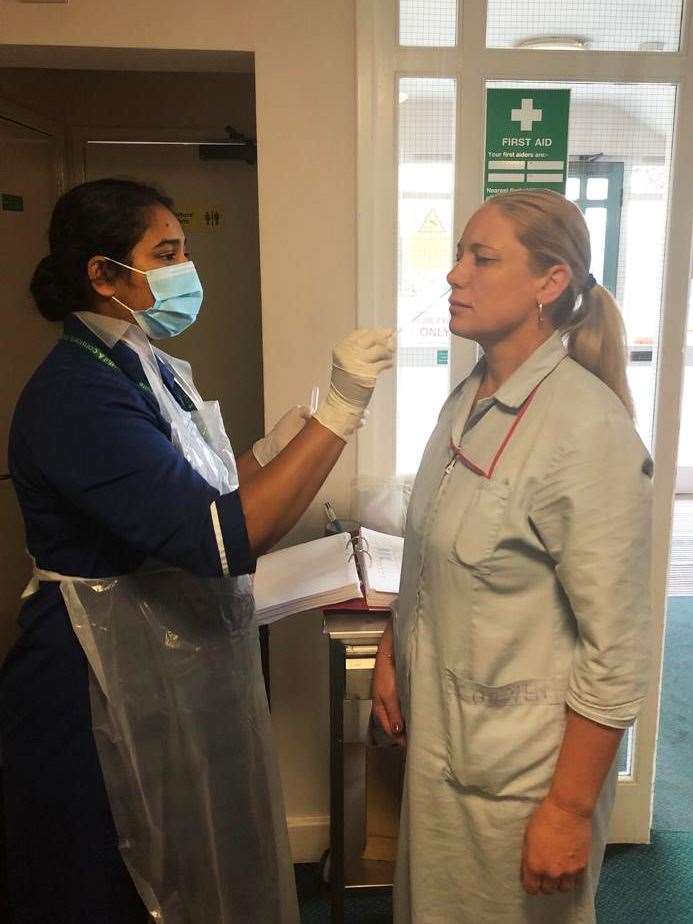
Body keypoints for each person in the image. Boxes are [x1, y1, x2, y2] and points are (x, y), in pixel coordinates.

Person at [0, 177, 394, 924]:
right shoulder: (78, 394)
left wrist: (278, 447)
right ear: (105, 274)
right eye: (167, 253)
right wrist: (339, 416)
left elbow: (206, 491)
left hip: (150, 654)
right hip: (89, 679)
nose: (187, 271)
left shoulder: (139, 363)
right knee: (105, 872)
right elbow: (217, 538)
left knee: (174, 859)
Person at [372, 188, 652, 923]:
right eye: (458, 254)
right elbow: (435, 552)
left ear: (548, 282)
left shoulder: (584, 432)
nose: (453, 275)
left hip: (522, 780)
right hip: (448, 750)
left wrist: (565, 809)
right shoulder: (464, 400)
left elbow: (615, 651)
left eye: (480, 257)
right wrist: (391, 646)